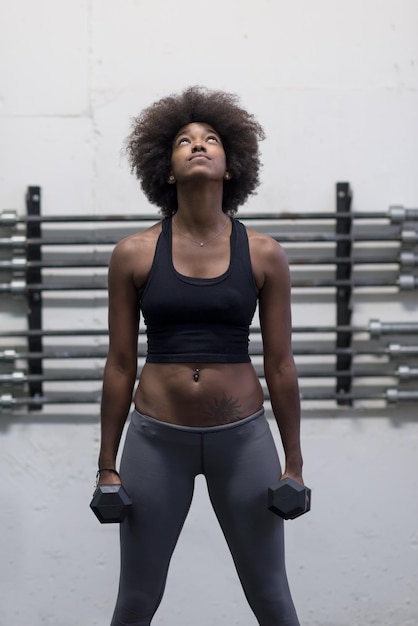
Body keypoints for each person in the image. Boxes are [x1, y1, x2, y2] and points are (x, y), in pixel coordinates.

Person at [97, 85, 304, 626]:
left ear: (230, 165)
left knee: (272, 598)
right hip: (156, 439)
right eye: (184, 140)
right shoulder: (134, 253)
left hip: (242, 438)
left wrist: (295, 462)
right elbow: (119, 364)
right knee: (136, 601)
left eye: (211, 139)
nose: (198, 146)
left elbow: (281, 365)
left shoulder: (264, 253)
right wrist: (105, 466)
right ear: (165, 170)